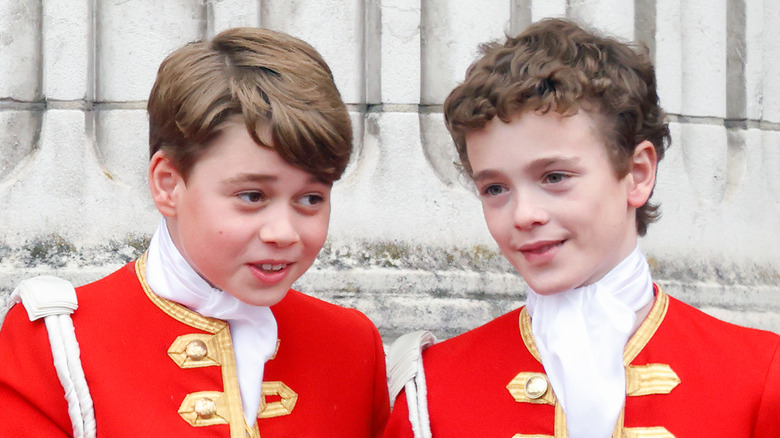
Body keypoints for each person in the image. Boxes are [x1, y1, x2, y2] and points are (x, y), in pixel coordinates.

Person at [383, 18, 780, 437]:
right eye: (495, 187)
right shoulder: (431, 389)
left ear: (637, 173)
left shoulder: (758, 378)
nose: (523, 215)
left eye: (554, 177)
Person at [0, 27, 389, 437]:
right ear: (168, 184)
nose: (284, 232)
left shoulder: (350, 345)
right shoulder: (56, 344)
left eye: (311, 199)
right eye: (253, 195)